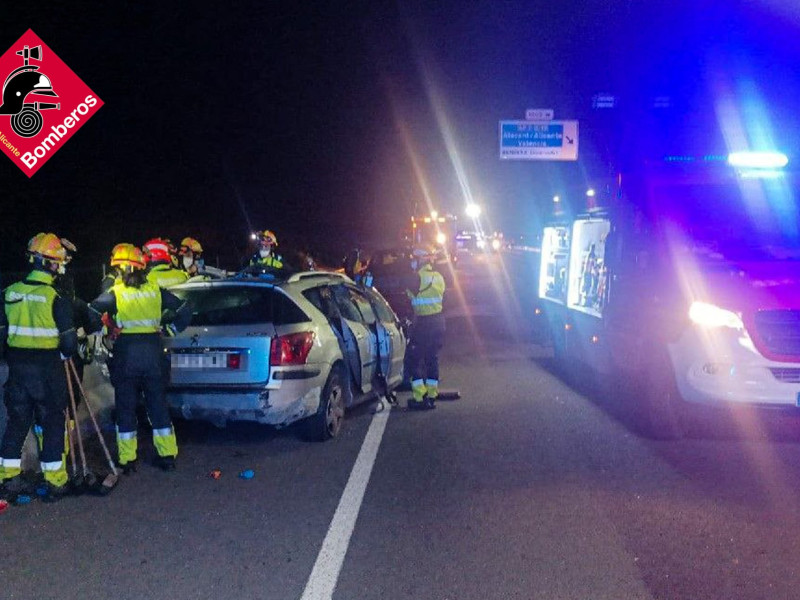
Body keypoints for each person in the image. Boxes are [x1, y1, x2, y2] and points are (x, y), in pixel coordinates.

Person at [88, 244, 191, 473]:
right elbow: (185, 309)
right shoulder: (155, 290)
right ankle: (167, 456)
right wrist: (170, 330)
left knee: (126, 408)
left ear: (123, 268)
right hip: (153, 355)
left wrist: (107, 331)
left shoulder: (116, 292)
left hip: (126, 356)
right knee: (158, 406)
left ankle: (128, 460)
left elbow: (93, 311)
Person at [0, 233, 77, 502]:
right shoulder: (56, 297)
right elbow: (68, 345)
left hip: (18, 370)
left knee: (16, 424)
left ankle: (8, 479)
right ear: (51, 264)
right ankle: (55, 481)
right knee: (53, 424)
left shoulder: (9, 293)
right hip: (47, 372)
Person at [405, 245, 446, 410]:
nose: (412, 263)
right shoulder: (439, 277)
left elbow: (409, 298)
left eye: (414, 260)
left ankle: (419, 397)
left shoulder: (415, 278)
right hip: (439, 322)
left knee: (413, 359)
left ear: (421, 260)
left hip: (423, 324)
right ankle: (431, 395)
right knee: (432, 358)